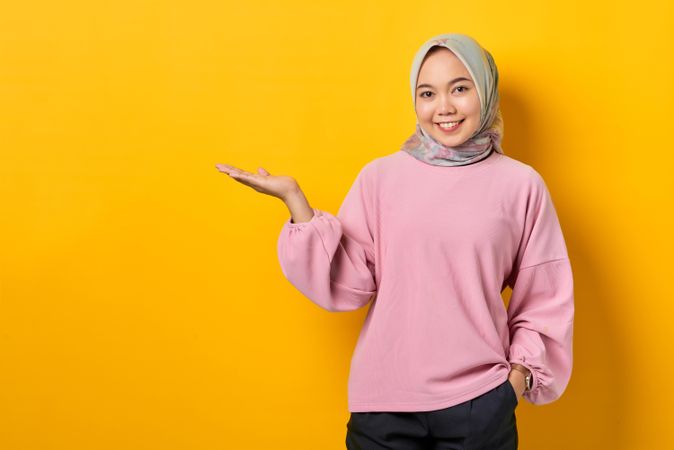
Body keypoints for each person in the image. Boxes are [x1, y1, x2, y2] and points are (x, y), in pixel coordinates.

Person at [215, 33, 574, 450]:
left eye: (460, 88)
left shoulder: (520, 185)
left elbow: (544, 298)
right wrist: (296, 201)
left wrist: (515, 383)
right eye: (427, 93)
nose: (443, 107)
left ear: (485, 89)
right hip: (384, 407)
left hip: (480, 405)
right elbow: (350, 281)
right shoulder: (381, 178)